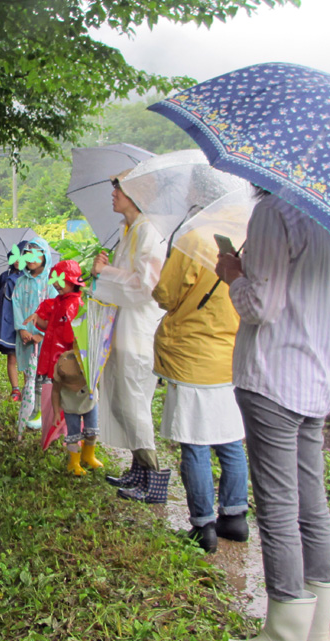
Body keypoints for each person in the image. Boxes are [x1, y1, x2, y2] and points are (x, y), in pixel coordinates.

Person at [215, 187, 330, 641]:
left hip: (272, 377)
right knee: (312, 502)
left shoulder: (273, 211)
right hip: (314, 377)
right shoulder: (328, 218)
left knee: (276, 506)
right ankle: (318, 631)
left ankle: (283, 639)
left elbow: (260, 307)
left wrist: (232, 274)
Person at [149, 233, 249, 553]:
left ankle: (203, 525)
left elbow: (166, 294)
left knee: (195, 442)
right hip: (229, 354)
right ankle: (235, 518)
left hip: (192, 353)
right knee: (230, 438)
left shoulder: (195, 238)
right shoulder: (246, 238)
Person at [91, 172, 169, 502]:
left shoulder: (149, 232)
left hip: (140, 330)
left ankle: (153, 479)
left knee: (136, 402)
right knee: (125, 399)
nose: (113, 195)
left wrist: (104, 272)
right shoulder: (129, 231)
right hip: (122, 328)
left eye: (118, 190)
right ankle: (138, 469)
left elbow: (145, 285)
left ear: (135, 194)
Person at [28, 259, 103, 476]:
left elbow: (74, 333)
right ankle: (74, 457)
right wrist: (38, 320)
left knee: (89, 413)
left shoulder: (76, 303)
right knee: (67, 408)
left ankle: (87, 453)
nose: (58, 284)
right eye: (56, 280)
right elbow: (48, 326)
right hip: (63, 366)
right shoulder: (58, 302)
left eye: (63, 280)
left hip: (76, 366)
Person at [11, 236, 57, 435]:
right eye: (27, 254)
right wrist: (22, 329)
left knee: (43, 376)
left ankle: (40, 411)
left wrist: (40, 333)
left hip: (44, 338)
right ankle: (30, 411)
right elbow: (16, 304)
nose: (31, 258)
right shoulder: (21, 281)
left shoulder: (51, 282)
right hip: (25, 337)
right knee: (29, 374)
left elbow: (54, 309)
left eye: (36, 254)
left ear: (45, 256)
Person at [0, 240, 30, 402]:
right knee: (12, 357)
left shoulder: (29, 279)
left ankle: (28, 389)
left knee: (26, 358)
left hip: (25, 324)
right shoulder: (4, 277)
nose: (19, 261)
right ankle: (15, 389)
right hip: (8, 324)